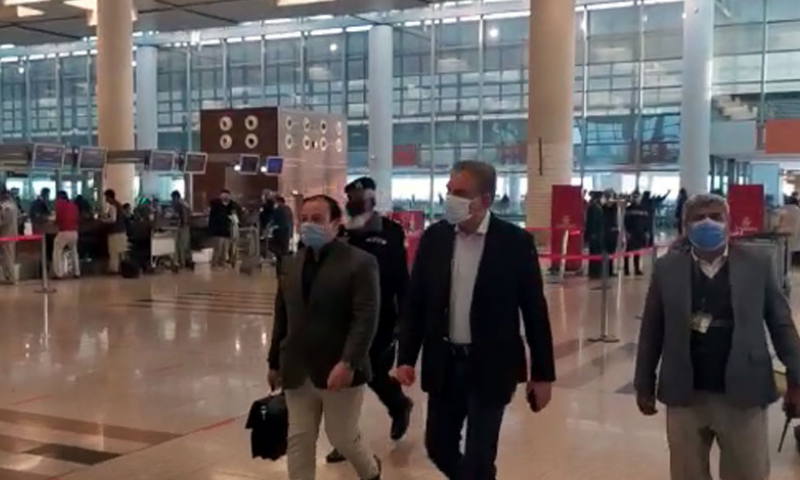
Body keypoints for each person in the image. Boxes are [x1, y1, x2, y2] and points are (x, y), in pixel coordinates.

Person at [396, 161, 555, 480]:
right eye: (448, 191)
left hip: (491, 365)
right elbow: (416, 302)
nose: (449, 199)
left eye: (460, 193)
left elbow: (534, 310)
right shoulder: (435, 239)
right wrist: (407, 358)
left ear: (485, 199)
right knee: (438, 446)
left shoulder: (514, 243)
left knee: (480, 457)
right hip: (445, 363)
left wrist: (542, 374)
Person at [634, 193, 800, 480]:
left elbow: (781, 323)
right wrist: (644, 383)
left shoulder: (757, 263)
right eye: (698, 218)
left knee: (748, 472)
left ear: (729, 223)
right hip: (685, 393)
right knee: (687, 473)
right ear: (684, 226)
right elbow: (652, 328)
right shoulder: (667, 269)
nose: (707, 223)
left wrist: (797, 377)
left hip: (744, 392)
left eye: (716, 217)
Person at [267, 195, 382, 480]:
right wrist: (274, 361)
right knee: (299, 439)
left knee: (342, 436)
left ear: (336, 223)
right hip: (296, 367)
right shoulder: (290, 264)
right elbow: (282, 315)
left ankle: (370, 472)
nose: (308, 226)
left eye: (317, 219)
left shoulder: (360, 263)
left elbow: (365, 318)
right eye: (304, 219)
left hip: (338, 368)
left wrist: (349, 362)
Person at [325, 177, 412, 464]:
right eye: (351, 196)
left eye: (361, 195)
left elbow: (400, 277)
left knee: (370, 371)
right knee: (344, 376)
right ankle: (345, 439)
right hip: (342, 317)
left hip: (381, 316)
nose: (356, 200)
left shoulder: (390, 231)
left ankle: (398, 405)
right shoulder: (340, 232)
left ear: (373, 198)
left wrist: (404, 318)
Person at [208, 189, 241, 268]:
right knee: (218, 248)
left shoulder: (232, 206)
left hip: (227, 231)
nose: (225, 197)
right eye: (223, 195)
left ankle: (222, 263)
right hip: (217, 231)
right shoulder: (216, 205)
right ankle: (215, 263)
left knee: (225, 249)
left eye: (227, 195)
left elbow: (238, 210)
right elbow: (216, 217)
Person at [53, 191, 80, 279]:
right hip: (74, 231)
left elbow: (58, 219)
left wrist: (56, 222)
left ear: (59, 197)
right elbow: (77, 217)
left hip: (64, 231)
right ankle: (77, 272)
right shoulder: (73, 205)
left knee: (57, 251)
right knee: (74, 251)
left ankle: (59, 274)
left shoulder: (59, 204)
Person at [100, 189, 128, 274]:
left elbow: (112, 219)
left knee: (113, 252)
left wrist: (103, 220)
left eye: (106, 197)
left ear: (109, 197)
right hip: (122, 231)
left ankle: (114, 269)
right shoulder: (119, 205)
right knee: (121, 252)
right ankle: (123, 268)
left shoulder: (112, 206)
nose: (105, 199)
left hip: (114, 232)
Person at [623, 192, 649, 276]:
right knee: (628, 251)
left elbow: (646, 221)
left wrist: (646, 231)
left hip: (640, 233)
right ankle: (626, 270)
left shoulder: (643, 209)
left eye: (637, 197)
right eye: (634, 197)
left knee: (637, 252)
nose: (636, 199)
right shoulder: (628, 209)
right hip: (631, 233)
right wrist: (627, 232)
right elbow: (625, 222)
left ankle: (637, 269)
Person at [270, 195, 294, 272]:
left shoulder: (278, 209)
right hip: (287, 233)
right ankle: (286, 269)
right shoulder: (288, 209)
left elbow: (273, 222)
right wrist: (291, 234)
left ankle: (280, 269)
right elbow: (291, 222)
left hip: (279, 233)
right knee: (285, 251)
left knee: (279, 253)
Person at [774, 196, 800, 265]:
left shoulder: (780, 210)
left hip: (782, 237)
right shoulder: (798, 211)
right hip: (796, 241)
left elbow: (775, 224)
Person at [0, 188, 19, 285]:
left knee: (8, 256)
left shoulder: (6, 207)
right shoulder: (13, 205)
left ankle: (12, 278)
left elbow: (4, 222)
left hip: (7, 234)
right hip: (11, 234)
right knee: (7, 256)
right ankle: (8, 276)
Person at [585, 191, 605, 279]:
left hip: (596, 234)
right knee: (595, 254)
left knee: (594, 254)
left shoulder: (594, 207)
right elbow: (593, 222)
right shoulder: (595, 208)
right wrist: (593, 234)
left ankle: (595, 272)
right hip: (596, 235)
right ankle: (595, 272)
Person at [171, 191, 192, 269]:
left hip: (183, 227)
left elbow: (184, 218)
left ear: (176, 197)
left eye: (173, 198)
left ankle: (182, 263)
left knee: (182, 246)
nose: (172, 200)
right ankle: (184, 262)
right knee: (183, 245)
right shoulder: (184, 204)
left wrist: (180, 223)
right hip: (184, 227)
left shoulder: (181, 205)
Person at [602, 189, 619, 276]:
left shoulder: (614, 207)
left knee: (612, 253)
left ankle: (610, 270)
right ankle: (605, 270)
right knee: (606, 252)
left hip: (613, 232)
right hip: (606, 232)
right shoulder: (603, 208)